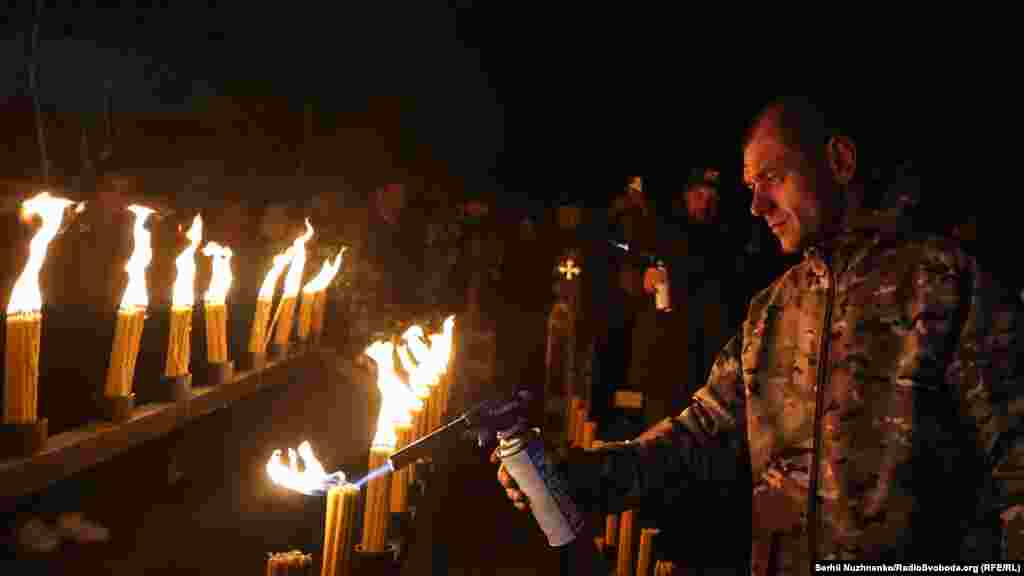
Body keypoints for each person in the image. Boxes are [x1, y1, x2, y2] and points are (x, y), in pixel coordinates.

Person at [496, 97, 1024, 574]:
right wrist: (583, 474)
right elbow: (699, 435)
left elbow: (1015, 462)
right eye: (750, 188)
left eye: (771, 179)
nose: (756, 206)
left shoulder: (948, 288)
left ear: (839, 162)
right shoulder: (774, 310)